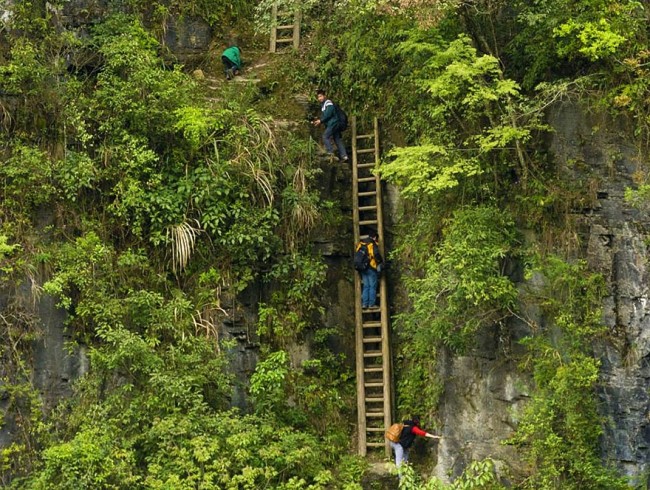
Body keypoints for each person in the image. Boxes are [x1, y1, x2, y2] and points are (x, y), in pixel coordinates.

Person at [313, 89, 348, 162]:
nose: (320, 98)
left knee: (325, 136)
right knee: (337, 139)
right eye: (318, 97)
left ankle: (330, 153)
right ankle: (344, 156)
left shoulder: (328, 103)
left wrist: (321, 120)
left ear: (324, 96)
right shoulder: (324, 105)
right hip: (334, 123)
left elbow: (328, 114)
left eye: (321, 96)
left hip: (333, 123)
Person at [356, 231, 383, 309]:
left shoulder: (361, 243)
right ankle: (371, 304)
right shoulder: (372, 244)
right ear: (374, 237)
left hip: (362, 268)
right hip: (370, 267)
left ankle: (364, 304)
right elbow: (376, 255)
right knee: (372, 286)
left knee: (366, 286)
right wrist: (380, 262)